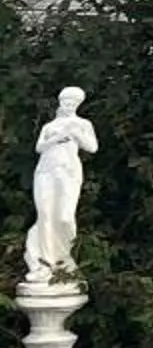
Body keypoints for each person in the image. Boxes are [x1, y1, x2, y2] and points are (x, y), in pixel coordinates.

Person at [23, 86, 96, 287]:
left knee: (64, 217)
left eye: (73, 103)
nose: (69, 105)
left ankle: (64, 261)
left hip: (68, 172)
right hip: (46, 171)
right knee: (45, 215)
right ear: (60, 102)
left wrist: (75, 134)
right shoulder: (50, 126)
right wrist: (58, 137)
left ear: (78, 104)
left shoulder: (83, 123)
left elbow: (92, 147)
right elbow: (39, 147)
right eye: (66, 102)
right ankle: (45, 265)